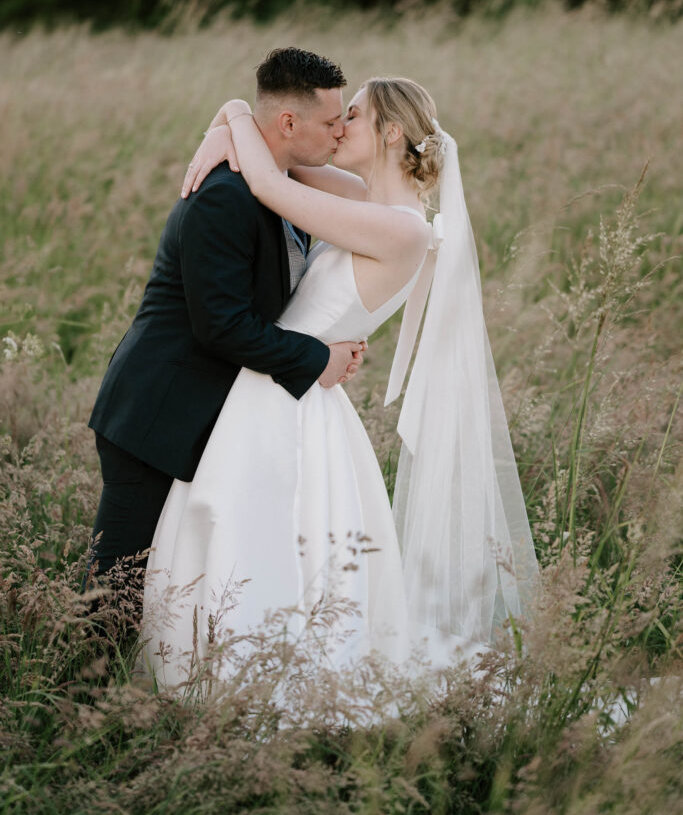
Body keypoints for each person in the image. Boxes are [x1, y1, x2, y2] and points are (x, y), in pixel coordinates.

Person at [138, 73, 540, 689]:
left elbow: (269, 182)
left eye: (352, 116)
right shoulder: (361, 196)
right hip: (275, 385)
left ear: (390, 132)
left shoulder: (403, 228)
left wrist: (229, 119)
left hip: (288, 400)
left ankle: (261, 681)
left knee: (264, 543)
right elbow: (272, 158)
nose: (338, 127)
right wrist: (232, 113)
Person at [84, 48, 366, 609]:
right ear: (289, 123)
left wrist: (230, 114)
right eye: (332, 122)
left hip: (201, 414)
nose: (340, 133)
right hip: (156, 415)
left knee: (169, 581)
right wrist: (318, 359)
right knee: (116, 589)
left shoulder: (276, 183)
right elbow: (223, 325)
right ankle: (79, 692)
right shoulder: (225, 196)